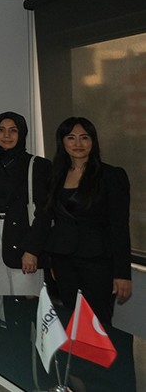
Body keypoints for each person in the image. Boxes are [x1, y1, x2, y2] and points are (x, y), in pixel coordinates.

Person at [24, 117, 132, 325]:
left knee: (96, 323)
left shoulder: (111, 175)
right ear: (62, 142)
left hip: (98, 261)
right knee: (70, 321)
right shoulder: (55, 175)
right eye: (71, 138)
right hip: (63, 261)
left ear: (93, 141)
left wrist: (122, 274)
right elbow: (44, 218)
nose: (78, 143)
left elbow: (119, 226)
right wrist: (31, 250)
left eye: (84, 137)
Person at [0, 112, 51, 296]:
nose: (7, 135)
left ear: (22, 134)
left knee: (27, 303)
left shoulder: (38, 166)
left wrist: (32, 250)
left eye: (13, 130)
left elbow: (44, 213)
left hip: (24, 239)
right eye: (1, 130)